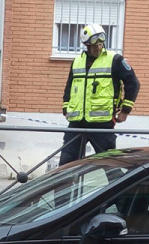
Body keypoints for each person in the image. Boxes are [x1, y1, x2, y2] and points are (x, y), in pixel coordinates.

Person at [60, 23, 140, 166]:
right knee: (66, 162)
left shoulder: (115, 60)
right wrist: (66, 107)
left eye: (100, 44)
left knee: (109, 165)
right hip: (76, 122)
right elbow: (69, 86)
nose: (98, 47)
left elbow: (133, 83)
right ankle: (65, 182)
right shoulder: (77, 61)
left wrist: (125, 111)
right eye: (94, 45)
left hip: (102, 124)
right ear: (86, 45)